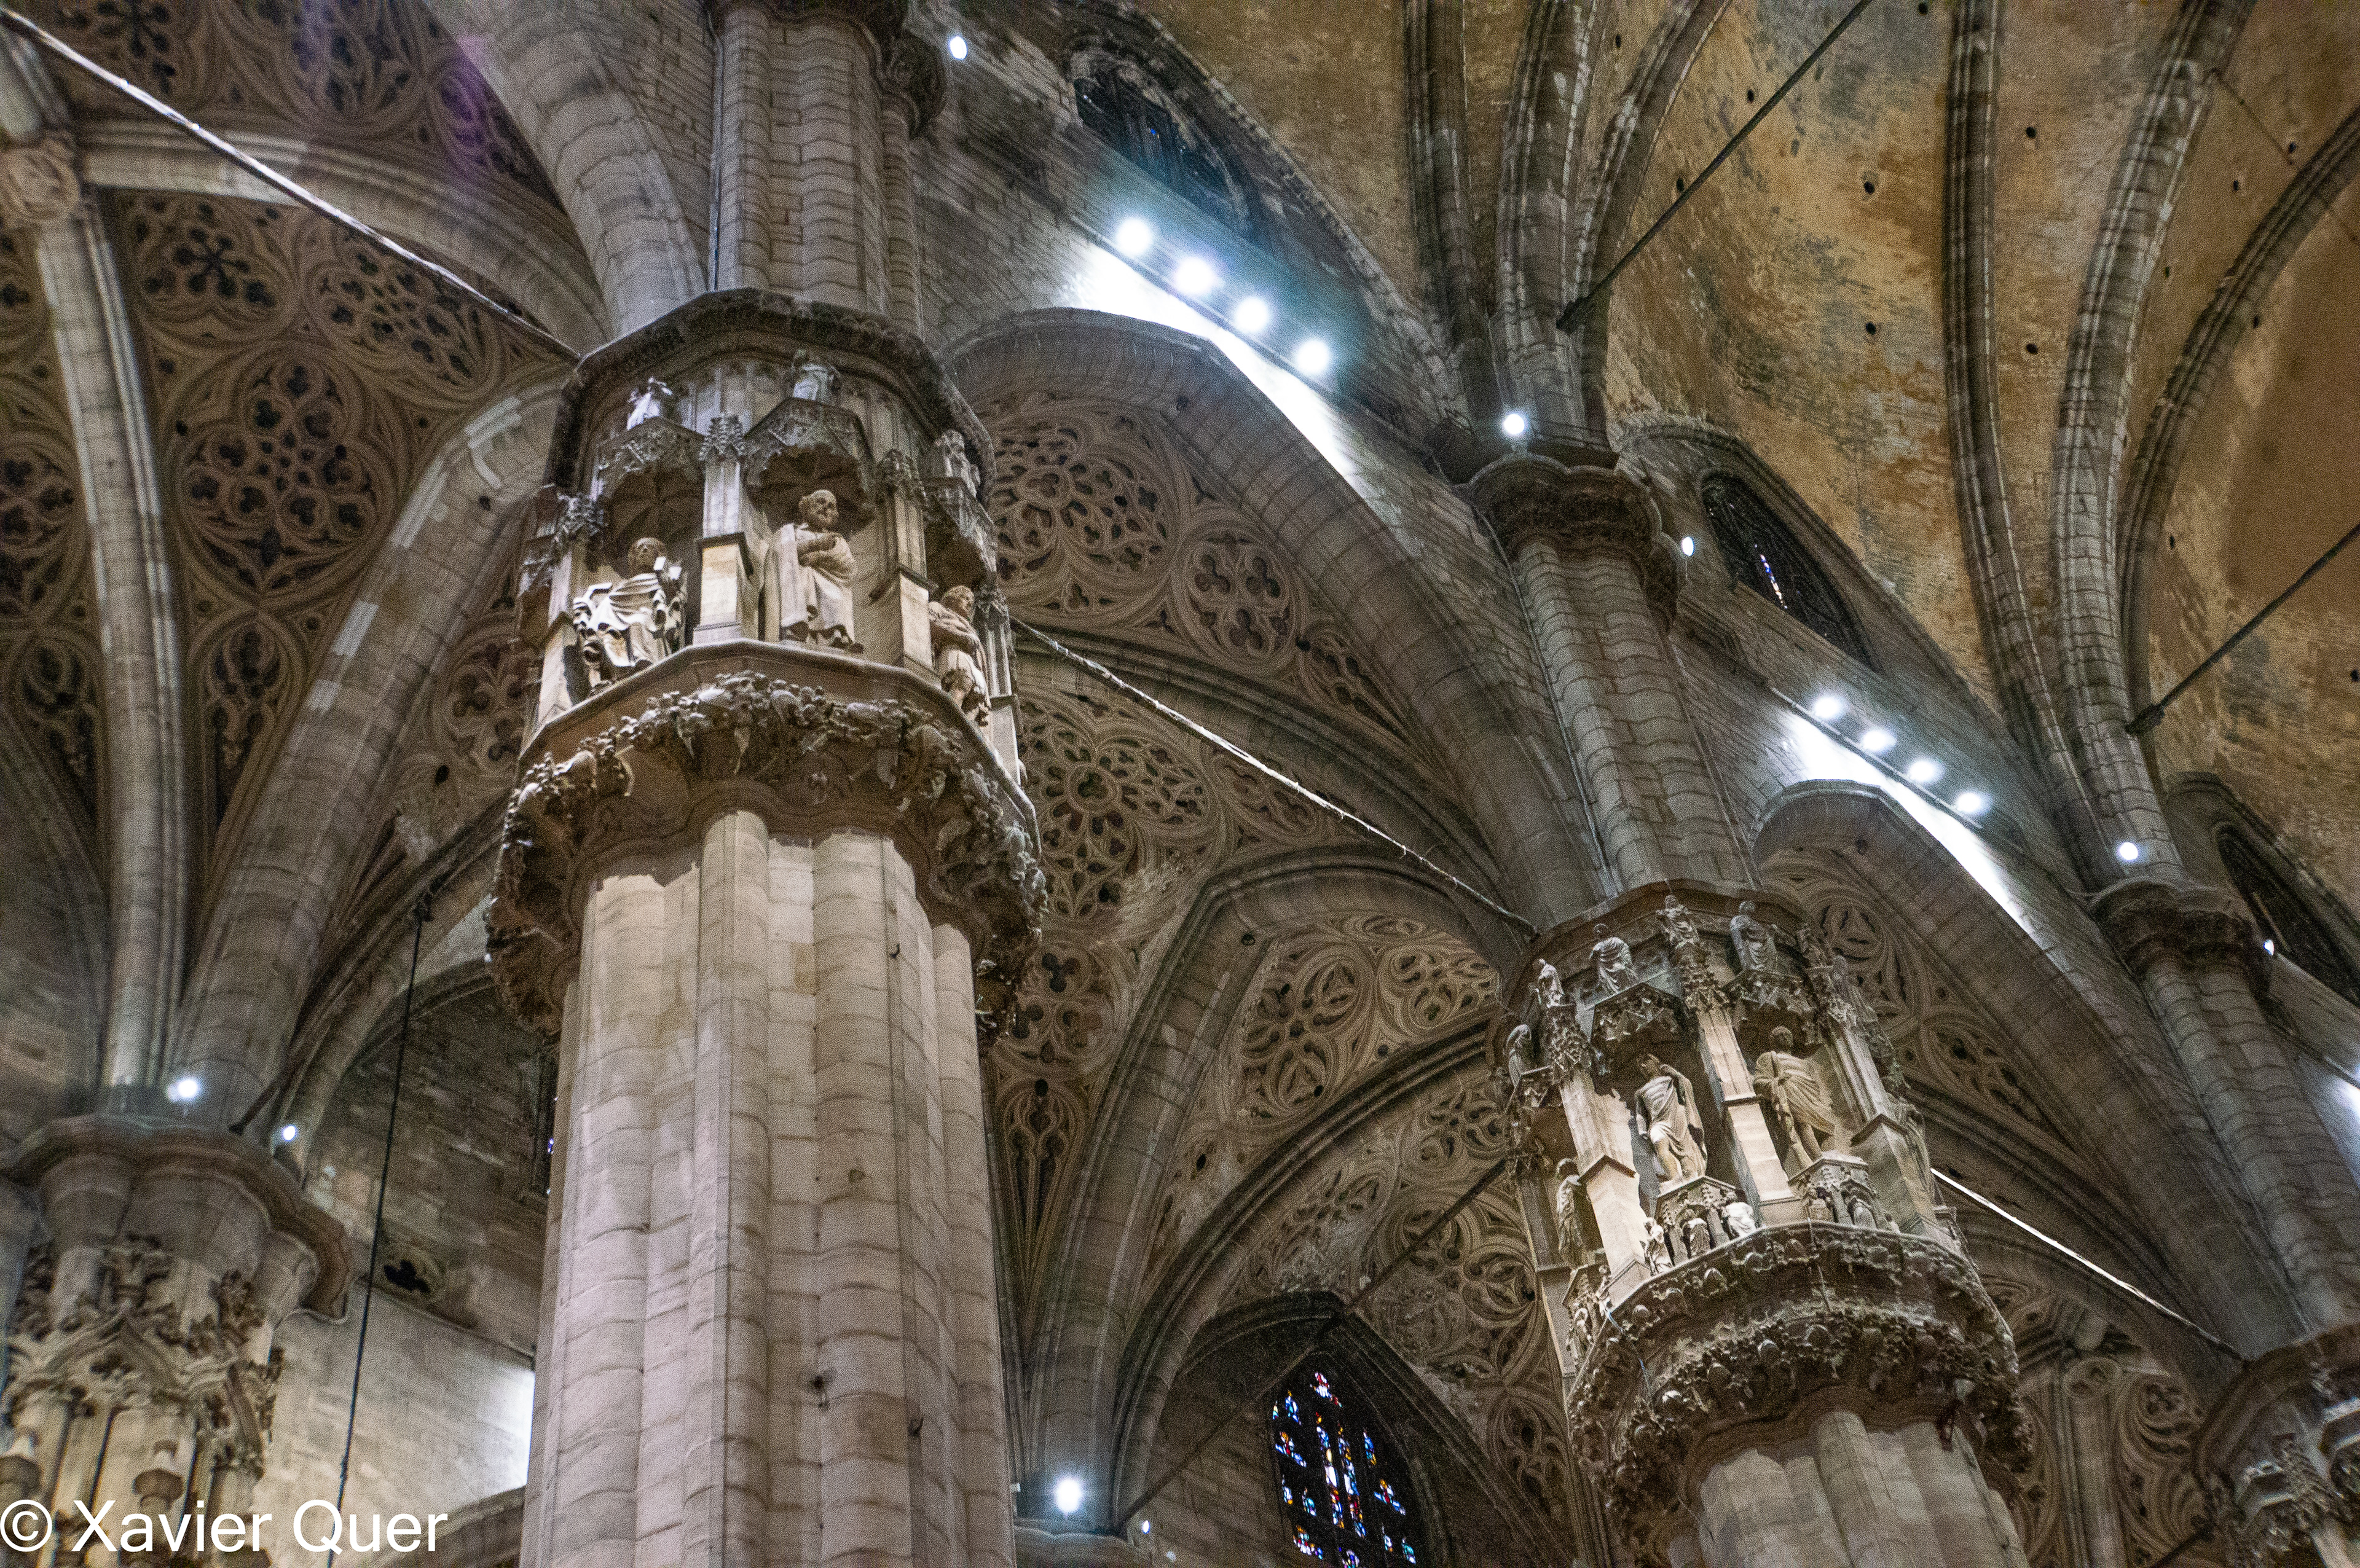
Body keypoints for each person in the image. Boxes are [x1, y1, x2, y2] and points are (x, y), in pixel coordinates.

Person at [570, 536, 682, 686]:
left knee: (638, 622)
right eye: (640, 549)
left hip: (650, 617)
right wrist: (592, 619)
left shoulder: (660, 578)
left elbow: (672, 595)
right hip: (623, 619)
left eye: (649, 548)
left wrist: (668, 584)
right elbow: (610, 604)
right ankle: (618, 672)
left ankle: (644, 661)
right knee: (608, 633)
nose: (645, 550)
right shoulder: (625, 585)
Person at [773, 488, 860, 650]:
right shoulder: (792, 531)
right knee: (805, 573)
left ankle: (835, 637)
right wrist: (816, 545)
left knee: (834, 597)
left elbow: (849, 567)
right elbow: (784, 553)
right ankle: (798, 628)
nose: (826, 508)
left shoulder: (837, 539)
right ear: (807, 506)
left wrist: (819, 557)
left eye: (831, 506)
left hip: (832, 581)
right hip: (802, 577)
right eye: (821, 502)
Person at [1633, 1053, 1707, 1182]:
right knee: (1659, 1145)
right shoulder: (1640, 1092)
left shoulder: (1670, 1080)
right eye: (1641, 1066)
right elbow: (1640, 1113)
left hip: (1676, 1117)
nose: (1644, 1066)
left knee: (1685, 1150)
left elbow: (1686, 1087)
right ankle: (1674, 1178)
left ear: (1656, 1064)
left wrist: (1676, 1074)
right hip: (1658, 1123)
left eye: (1647, 1062)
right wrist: (1642, 1130)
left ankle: (1691, 1177)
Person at [929, 585, 991, 724]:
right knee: (962, 682)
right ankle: (946, 724)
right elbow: (928, 623)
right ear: (954, 596)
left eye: (971, 603)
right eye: (966, 598)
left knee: (975, 699)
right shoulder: (937, 607)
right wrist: (960, 636)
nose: (969, 604)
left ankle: (960, 733)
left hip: (972, 662)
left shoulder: (969, 626)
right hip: (953, 651)